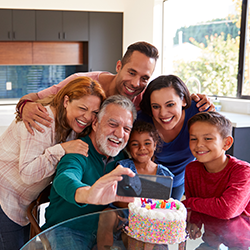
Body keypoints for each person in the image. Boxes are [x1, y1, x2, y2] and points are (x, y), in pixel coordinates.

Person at [16, 41, 212, 135]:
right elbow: (34, 96)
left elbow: (170, 98)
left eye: (144, 77)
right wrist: (25, 106)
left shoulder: (143, 99)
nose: (136, 83)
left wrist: (196, 100)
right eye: (131, 72)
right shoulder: (82, 81)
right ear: (118, 66)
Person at [0, 76, 106, 250]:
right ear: (66, 101)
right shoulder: (42, 120)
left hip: (23, 202)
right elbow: (28, 174)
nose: (87, 117)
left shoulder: (71, 127)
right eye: (82, 108)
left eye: (94, 112)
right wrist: (62, 149)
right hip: (5, 198)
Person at [41, 95, 137, 249]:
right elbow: (65, 177)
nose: (119, 134)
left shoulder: (123, 158)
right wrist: (88, 194)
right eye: (113, 124)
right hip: (66, 228)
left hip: (106, 231)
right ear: (95, 123)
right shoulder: (78, 150)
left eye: (126, 129)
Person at [96, 120, 173, 250]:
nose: (142, 148)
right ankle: (105, 247)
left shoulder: (163, 174)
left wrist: (141, 215)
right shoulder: (123, 167)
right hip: (123, 212)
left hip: (149, 218)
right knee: (106, 215)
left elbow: (162, 205)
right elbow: (116, 197)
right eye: (135, 144)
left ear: (155, 145)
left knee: (135, 237)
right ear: (128, 148)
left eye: (147, 143)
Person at [137, 75, 215, 200]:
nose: (163, 113)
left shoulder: (198, 113)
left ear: (184, 100)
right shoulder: (142, 121)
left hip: (180, 180)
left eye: (170, 104)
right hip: (150, 180)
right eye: (156, 106)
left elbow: (217, 146)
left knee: (173, 215)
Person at [182, 111, 250, 237]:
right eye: (193, 139)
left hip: (242, 241)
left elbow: (227, 209)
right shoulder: (192, 169)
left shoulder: (243, 171)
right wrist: (195, 222)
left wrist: (188, 203)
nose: (199, 145)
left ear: (226, 143)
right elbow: (195, 207)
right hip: (211, 238)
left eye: (208, 138)